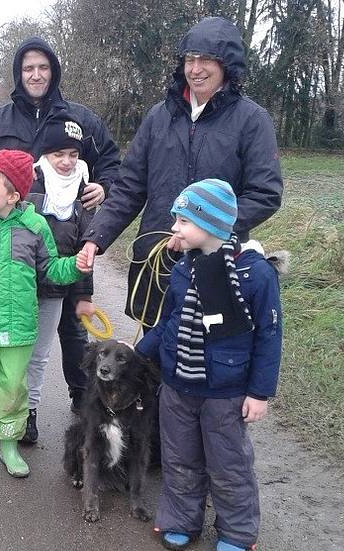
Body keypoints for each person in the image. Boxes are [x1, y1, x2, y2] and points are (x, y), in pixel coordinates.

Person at [80, 16, 283, 332]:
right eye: (190, 59)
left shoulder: (252, 120)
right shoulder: (159, 117)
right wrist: (96, 237)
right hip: (157, 262)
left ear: (226, 64)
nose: (196, 69)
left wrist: (202, 227)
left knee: (207, 351)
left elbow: (265, 193)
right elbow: (129, 186)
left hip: (216, 265)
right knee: (152, 350)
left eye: (206, 60)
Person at [0, 37, 121, 413]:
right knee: (12, 326)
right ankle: (9, 404)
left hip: (68, 243)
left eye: (43, 67)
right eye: (28, 68)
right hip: (14, 245)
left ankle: (83, 400)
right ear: (19, 73)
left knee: (73, 328)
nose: (36, 75)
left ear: (54, 71)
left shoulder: (81, 120)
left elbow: (111, 161)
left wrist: (104, 186)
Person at [134, 179, 283, 551]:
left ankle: (237, 530)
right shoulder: (184, 268)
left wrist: (259, 393)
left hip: (225, 392)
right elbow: (169, 321)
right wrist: (137, 352)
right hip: (177, 385)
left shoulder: (256, 274)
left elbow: (269, 336)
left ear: (212, 224)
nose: (175, 228)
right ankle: (181, 520)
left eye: (183, 221)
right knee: (179, 457)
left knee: (228, 462)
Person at [0, 149, 90, 478]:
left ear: (13, 196)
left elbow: (51, 270)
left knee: (12, 390)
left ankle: (9, 447)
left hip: (19, 326)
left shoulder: (35, 226)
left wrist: (76, 266)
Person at [21, 114, 96, 444]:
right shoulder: (27, 184)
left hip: (59, 287)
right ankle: (4, 407)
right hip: (22, 285)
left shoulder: (85, 191)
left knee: (47, 351)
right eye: (58, 154)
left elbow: (86, 247)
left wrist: (84, 295)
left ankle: (36, 410)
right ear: (45, 154)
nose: (67, 162)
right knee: (14, 350)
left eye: (73, 154)